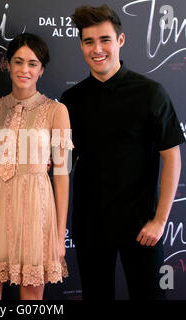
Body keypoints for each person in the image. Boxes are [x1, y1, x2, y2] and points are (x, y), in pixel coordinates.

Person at [60, 4, 185, 300]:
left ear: (120, 41)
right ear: (81, 46)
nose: (97, 49)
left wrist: (159, 220)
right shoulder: (71, 99)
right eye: (89, 42)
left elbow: (172, 158)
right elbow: (63, 166)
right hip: (90, 227)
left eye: (105, 40)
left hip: (142, 226)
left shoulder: (150, 92)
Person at [0, 33, 73, 300]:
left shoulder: (56, 111)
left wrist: (59, 235)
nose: (24, 69)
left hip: (37, 210)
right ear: (8, 64)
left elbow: (62, 175)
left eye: (32, 63)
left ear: (41, 69)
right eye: (18, 61)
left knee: (31, 296)